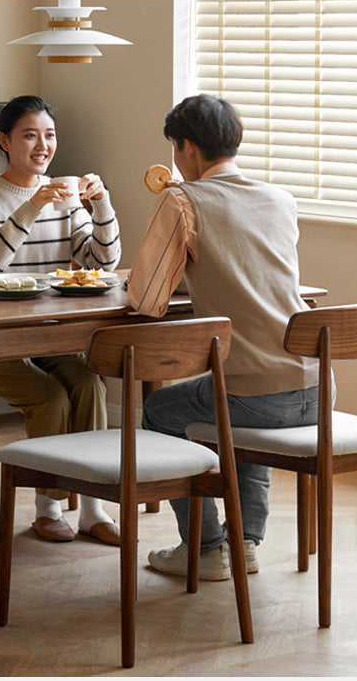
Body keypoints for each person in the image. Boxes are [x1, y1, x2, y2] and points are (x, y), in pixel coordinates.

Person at [127, 94, 325, 580]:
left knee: (159, 410)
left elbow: (147, 299)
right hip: (318, 388)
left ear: (187, 148)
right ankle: (246, 543)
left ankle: (206, 546)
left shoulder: (181, 199)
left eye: (175, 147)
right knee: (236, 396)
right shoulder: (280, 198)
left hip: (259, 397)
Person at [0, 95, 122, 545]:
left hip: (49, 334)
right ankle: (47, 508)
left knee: (90, 385)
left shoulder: (66, 197)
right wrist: (31, 208)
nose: (42, 145)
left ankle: (92, 507)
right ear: (3, 140)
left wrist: (102, 206)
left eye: (49, 135)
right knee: (50, 397)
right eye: (30, 135)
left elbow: (102, 264)